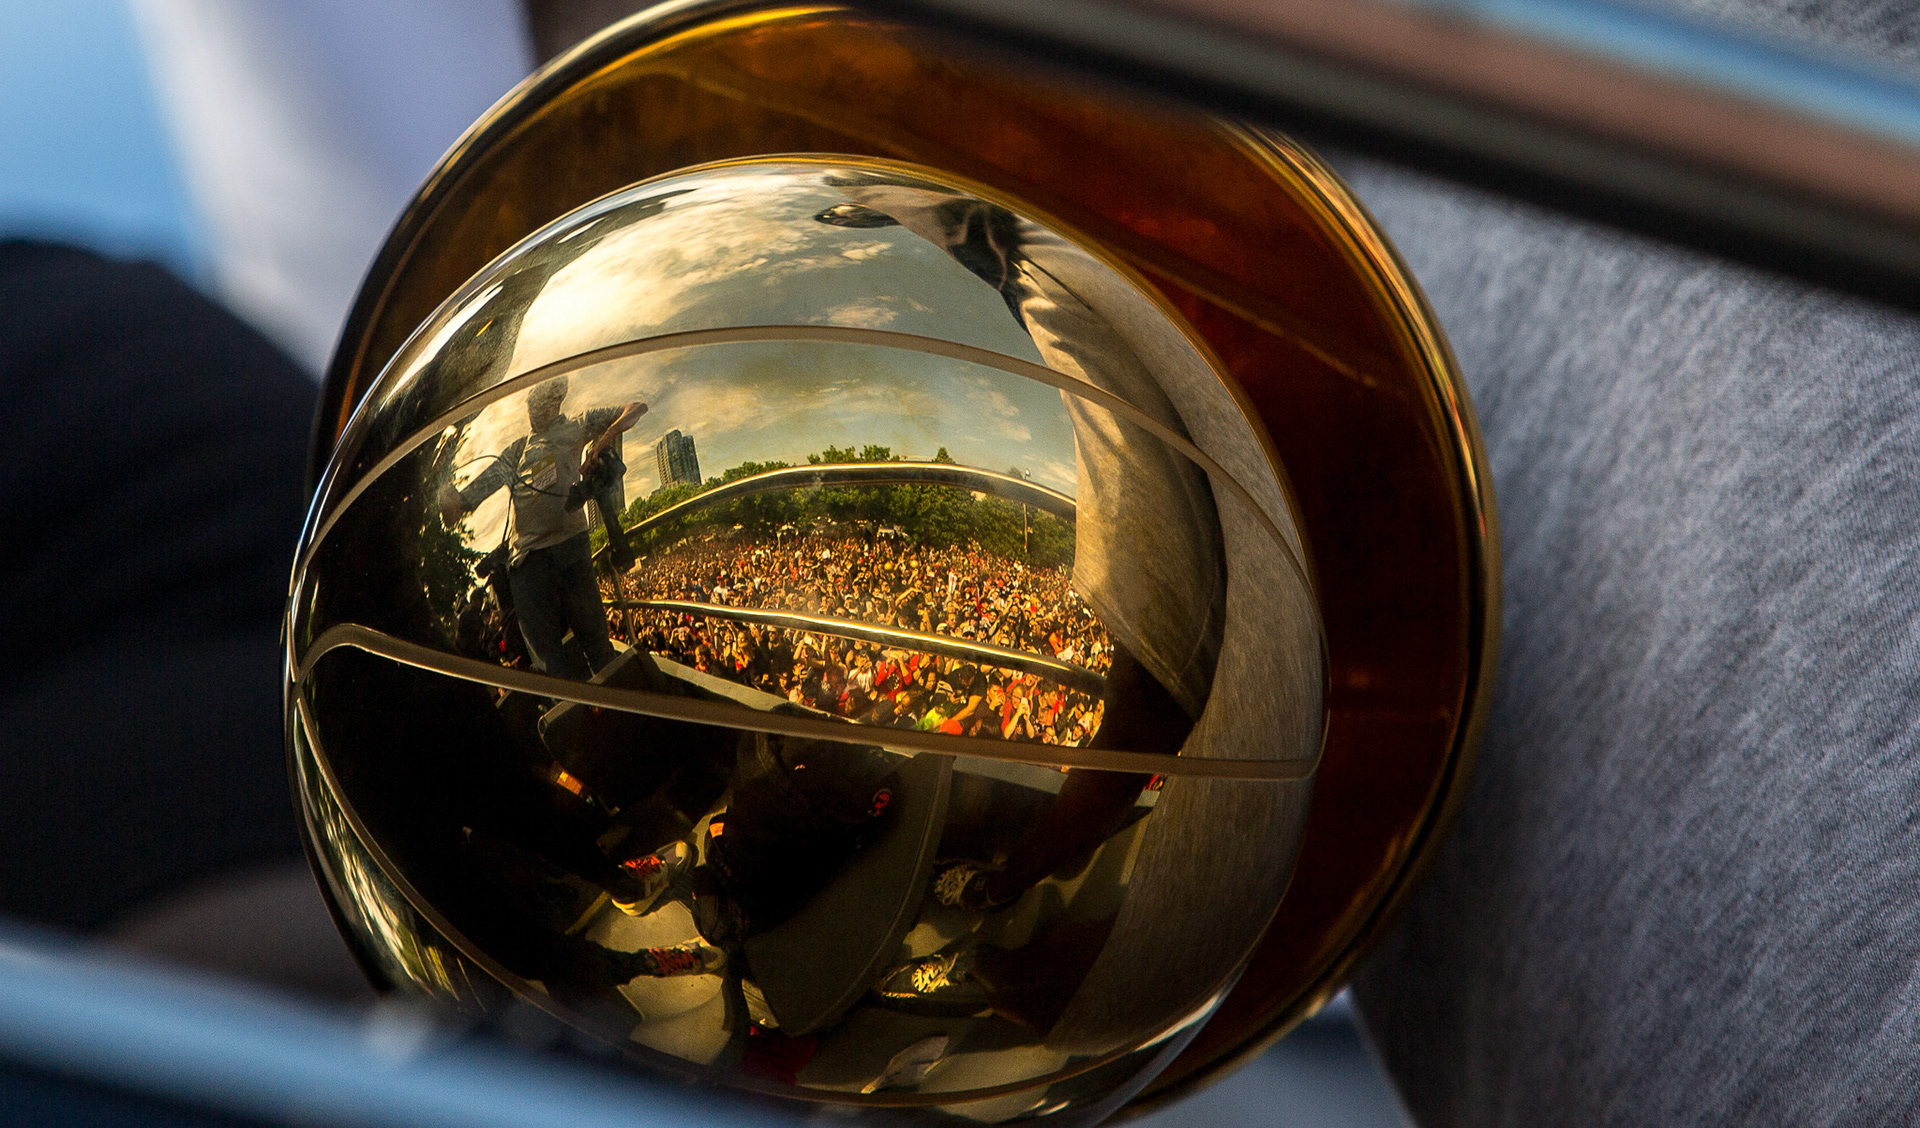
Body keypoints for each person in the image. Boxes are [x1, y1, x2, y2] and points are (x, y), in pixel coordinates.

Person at [438, 378, 645, 681]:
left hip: (572, 546)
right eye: (534, 401)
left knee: (598, 644)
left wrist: (602, 442)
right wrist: (443, 478)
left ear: (558, 400)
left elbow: (636, 408)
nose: (538, 406)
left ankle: (622, 712)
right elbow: (454, 512)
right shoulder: (515, 451)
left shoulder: (580, 423)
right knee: (548, 664)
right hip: (527, 562)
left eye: (547, 397)